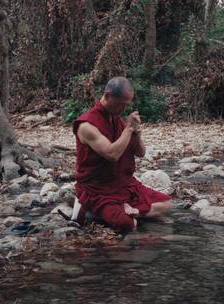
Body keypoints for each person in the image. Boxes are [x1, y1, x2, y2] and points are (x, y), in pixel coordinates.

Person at [73, 76, 173, 232]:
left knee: (167, 203)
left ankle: (134, 212)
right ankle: (94, 211)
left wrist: (136, 133)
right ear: (107, 96)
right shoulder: (86, 125)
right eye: (121, 104)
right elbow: (112, 154)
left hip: (123, 185)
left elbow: (141, 153)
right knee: (127, 225)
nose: (124, 109)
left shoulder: (117, 120)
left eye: (127, 105)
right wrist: (128, 129)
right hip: (97, 190)